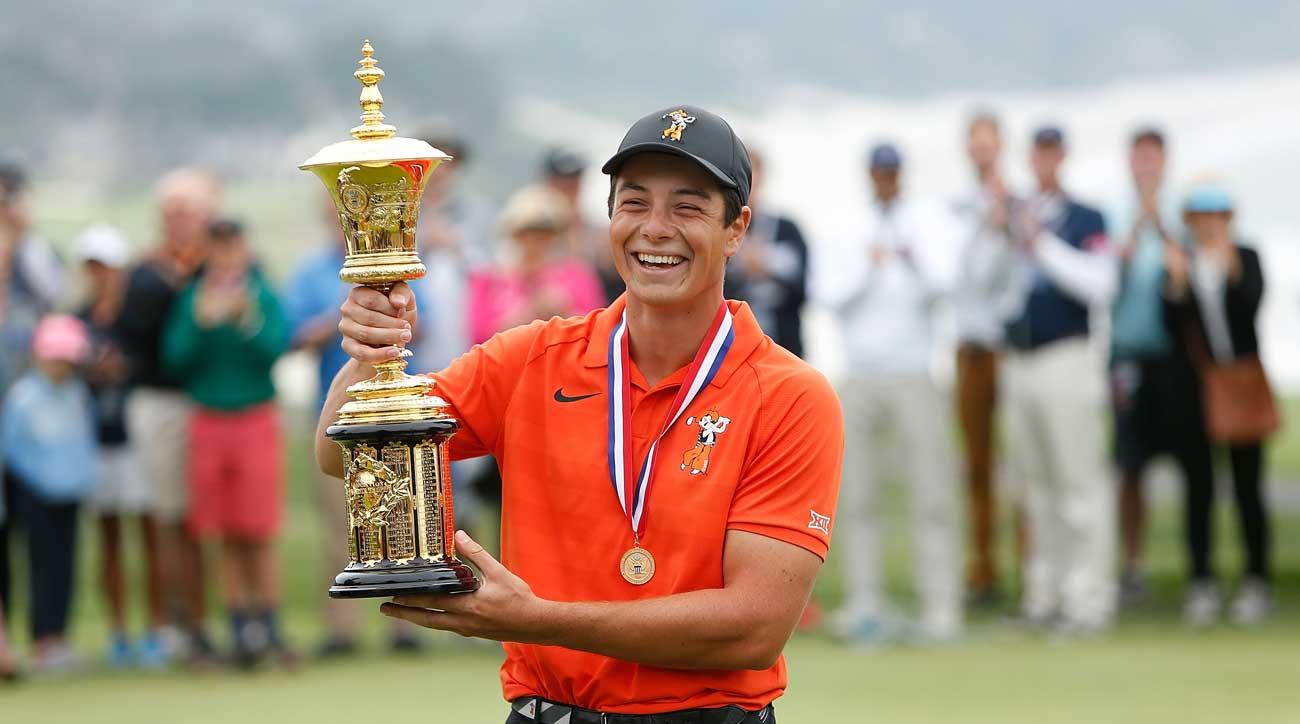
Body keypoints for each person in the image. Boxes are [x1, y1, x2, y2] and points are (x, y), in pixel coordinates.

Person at [318, 105, 842, 723]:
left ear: (736, 229)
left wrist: (535, 620)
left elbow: (753, 628)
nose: (656, 228)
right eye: (635, 202)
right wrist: (371, 355)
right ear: (608, 220)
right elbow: (340, 454)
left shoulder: (790, 395)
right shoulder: (532, 358)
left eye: (688, 207)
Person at [820, 142, 962, 644]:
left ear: (901, 175)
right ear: (870, 175)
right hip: (860, 374)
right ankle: (865, 607)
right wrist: (869, 265)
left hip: (913, 372)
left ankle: (940, 608)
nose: (886, 179)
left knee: (932, 494)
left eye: (893, 172)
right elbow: (829, 297)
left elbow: (944, 284)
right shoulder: (846, 224)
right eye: (880, 172)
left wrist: (909, 256)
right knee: (857, 497)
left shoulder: (928, 219)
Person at [980, 126, 1120, 634]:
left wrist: (1041, 245)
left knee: (1077, 481)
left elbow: (1099, 285)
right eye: (1037, 151)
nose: (1044, 160)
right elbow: (988, 287)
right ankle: (1044, 596)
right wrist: (1001, 233)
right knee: (1034, 486)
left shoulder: (1087, 217)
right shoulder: (1017, 217)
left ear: (1062, 156)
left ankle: (1088, 600)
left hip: (1067, 358)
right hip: (1021, 360)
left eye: (1051, 151)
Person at [284, 194, 428, 657]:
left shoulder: (395, 271)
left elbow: (417, 328)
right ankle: (341, 629)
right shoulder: (310, 271)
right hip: (339, 410)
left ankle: (407, 624)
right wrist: (347, 324)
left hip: (397, 414)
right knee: (339, 524)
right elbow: (296, 336)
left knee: (402, 518)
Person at [162, 219, 293, 667]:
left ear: (244, 249)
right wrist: (200, 323)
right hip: (208, 420)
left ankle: (270, 624)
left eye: (232, 248)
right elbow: (175, 359)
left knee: (259, 527)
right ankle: (240, 625)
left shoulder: (261, 294)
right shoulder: (192, 298)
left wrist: (245, 319)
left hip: (254, 417)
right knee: (222, 528)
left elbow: (275, 348)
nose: (225, 258)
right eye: (217, 250)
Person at [117, 168, 220, 664]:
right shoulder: (146, 273)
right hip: (159, 402)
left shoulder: (218, 267)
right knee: (170, 518)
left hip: (207, 403)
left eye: (190, 212)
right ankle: (178, 623)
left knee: (204, 521)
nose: (180, 222)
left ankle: (206, 620)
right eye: (172, 212)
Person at [1164, 182, 1274, 627]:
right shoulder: (1179, 262)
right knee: (1199, 489)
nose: (1209, 224)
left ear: (1228, 219)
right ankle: (1202, 581)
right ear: (1190, 221)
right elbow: (1171, 327)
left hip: (1242, 385)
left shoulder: (1244, 257)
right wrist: (1177, 284)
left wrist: (1229, 270)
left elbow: (1251, 305)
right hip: (1195, 391)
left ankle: (1255, 579)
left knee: (1248, 487)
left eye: (1216, 215)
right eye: (1200, 216)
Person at [73, 224, 169, 668]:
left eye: (106, 267)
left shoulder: (139, 313)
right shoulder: (78, 319)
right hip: (97, 441)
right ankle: (118, 634)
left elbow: (154, 362)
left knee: (149, 536)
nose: (99, 275)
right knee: (108, 538)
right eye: (92, 267)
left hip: (139, 437)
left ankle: (155, 630)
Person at [1106, 127, 1183, 608]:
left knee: (1187, 461)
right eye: (1139, 158)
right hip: (1127, 353)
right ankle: (1132, 566)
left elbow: (1186, 273)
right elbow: (1108, 276)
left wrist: (1163, 225)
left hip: (1173, 357)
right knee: (1129, 464)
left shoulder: (1179, 211)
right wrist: (1137, 226)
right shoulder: (1114, 213)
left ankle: (1193, 569)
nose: (1146, 166)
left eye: (1153, 158)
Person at [1, 314, 98, 675]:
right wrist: (39, 481)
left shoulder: (76, 392)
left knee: (65, 566)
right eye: (55, 357)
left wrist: (81, 479)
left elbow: (82, 444)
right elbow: (11, 448)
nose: (61, 365)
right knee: (39, 567)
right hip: (34, 495)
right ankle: (40, 640)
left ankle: (58, 638)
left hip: (69, 494)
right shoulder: (24, 396)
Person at [949, 111, 1013, 606]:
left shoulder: (1021, 203)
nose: (981, 151)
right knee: (976, 465)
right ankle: (984, 572)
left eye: (988, 142)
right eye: (975, 143)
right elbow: (957, 275)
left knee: (1028, 465)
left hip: (1010, 347)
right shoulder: (957, 206)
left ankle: (1033, 574)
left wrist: (1003, 222)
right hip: (969, 348)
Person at [0, 162, 57, 621]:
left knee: (41, 525)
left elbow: (53, 297)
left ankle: (45, 634)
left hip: (36, 413)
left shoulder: (34, 253)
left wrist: (19, 240)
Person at [467, 184, 604, 345]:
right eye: (527, 233)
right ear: (515, 234)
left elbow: (597, 329)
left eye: (544, 234)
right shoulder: (488, 279)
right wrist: (530, 313)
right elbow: (479, 338)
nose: (535, 242)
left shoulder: (576, 274)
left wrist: (565, 312)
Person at [723, 148, 809, 358]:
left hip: (784, 343)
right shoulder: (721, 231)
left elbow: (805, 290)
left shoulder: (787, 229)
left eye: (754, 176)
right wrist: (742, 269)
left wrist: (766, 267)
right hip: (732, 348)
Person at [542, 147, 623, 304]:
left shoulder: (599, 234)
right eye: (561, 184)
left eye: (573, 184)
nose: (567, 191)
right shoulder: (525, 230)